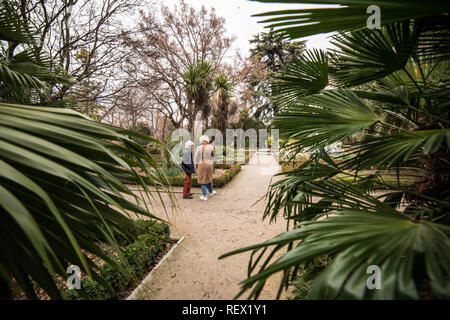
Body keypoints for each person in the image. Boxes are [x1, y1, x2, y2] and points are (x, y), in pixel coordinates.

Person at [194, 135, 216, 201]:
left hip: (202, 165)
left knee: (202, 181)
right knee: (209, 179)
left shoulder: (199, 148)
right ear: (207, 140)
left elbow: (195, 158)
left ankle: (204, 196)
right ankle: (211, 192)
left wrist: (196, 166)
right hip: (209, 165)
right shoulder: (211, 147)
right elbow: (213, 156)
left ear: (201, 140)